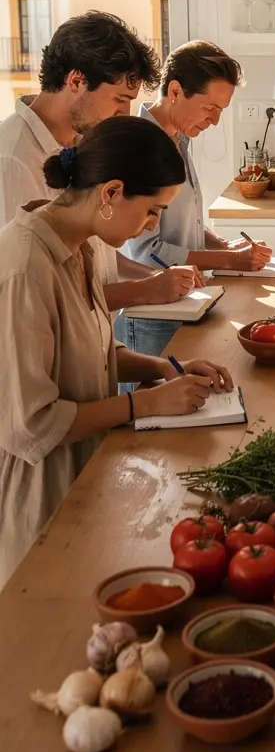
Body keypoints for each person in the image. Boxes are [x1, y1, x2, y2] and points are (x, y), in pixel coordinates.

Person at [0, 116, 232, 588]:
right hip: (42, 502)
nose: (153, 225)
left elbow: (93, 351)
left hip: (87, 479)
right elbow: (33, 423)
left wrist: (168, 368)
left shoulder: (81, 245)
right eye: (152, 211)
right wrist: (145, 403)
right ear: (110, 192)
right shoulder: (25, 266)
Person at [0, 11, 202, 312]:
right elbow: (26, 296)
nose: (125, 112)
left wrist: (151, 277)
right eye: (119, 99)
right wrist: (142, 291)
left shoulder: (83, 142)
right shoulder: (13, 158)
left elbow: (95, 251)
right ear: (77, 81)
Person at [120, 40, 272, 358]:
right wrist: (231, 261)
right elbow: (147, 253)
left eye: (221, 111)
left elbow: (182, 223)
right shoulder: (139, 148)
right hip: (153, 314)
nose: (215, 121)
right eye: (210, 108)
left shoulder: (179, 138)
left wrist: (223, 245)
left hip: (186, 302)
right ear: (175, 91)